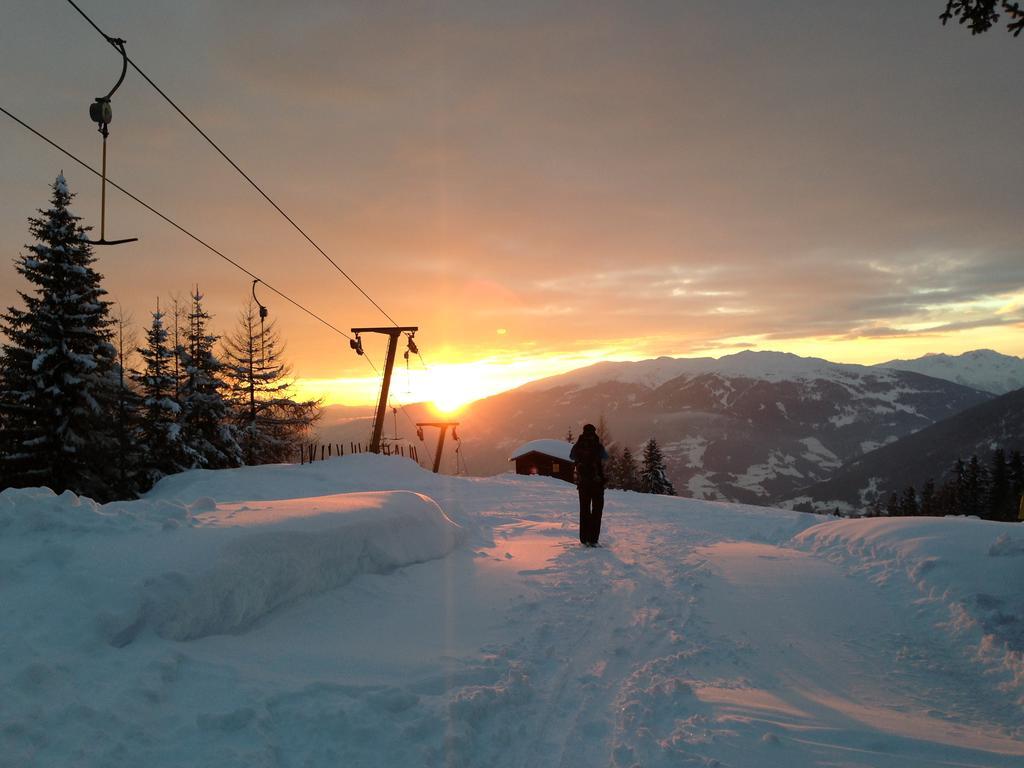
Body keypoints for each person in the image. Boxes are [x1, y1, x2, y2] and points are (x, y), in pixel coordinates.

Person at [570, 423, 609, 547]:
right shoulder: (598, 446)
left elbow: (571, 457)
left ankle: (584, 538)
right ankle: (593, 539)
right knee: (597, 511)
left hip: (583, 484)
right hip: (597, 483)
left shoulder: (578, 446)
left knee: (584, 510)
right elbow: (605, 457)